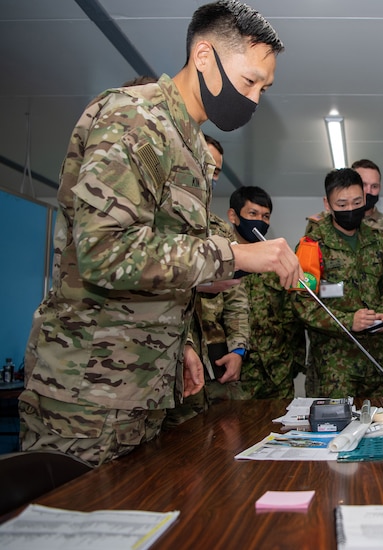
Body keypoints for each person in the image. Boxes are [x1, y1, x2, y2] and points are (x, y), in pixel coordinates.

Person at [19, 0, 302, 466]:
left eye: (263, 89)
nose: (254, 98)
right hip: (88, 390)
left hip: (144, 383)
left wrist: (182, 344)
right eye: (250, 81)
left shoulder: (189, 143)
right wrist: (236, 255)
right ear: (205, 56)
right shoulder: (134, 116)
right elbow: (106, 251)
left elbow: (163, 261)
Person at [294, 168, 383, 398]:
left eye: (357, 202)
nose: (350, 210)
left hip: (378, 362)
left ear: (365, 199)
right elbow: (302, 302)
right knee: (336, 430)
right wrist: (348, 321)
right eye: (342, 204)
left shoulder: (378, 240)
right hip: (334, 366)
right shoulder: (311, 245)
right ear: (328, 204)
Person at [164, 135, 251, 428]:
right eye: (206, 165)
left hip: (215, 362)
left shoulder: (219, 230)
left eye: (216, 171)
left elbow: (237, 298)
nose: (211, 176)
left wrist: (238, 349)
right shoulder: (163, 223)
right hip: (168, 360)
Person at [231, 185, 307, 399]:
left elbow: (292, 316)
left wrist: (295, 362)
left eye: (266, 216)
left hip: (278, 371)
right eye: (252, 214)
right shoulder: (219, 258)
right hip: (237, 373)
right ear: (233, 216)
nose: (260, 221)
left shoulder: (277, 260)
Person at [305, 159, 383, 267]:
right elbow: (309, 265)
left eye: (374, 186)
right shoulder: (321, 222)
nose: (369, 191)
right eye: (364, 185)